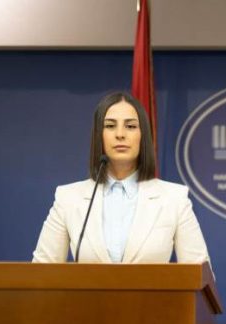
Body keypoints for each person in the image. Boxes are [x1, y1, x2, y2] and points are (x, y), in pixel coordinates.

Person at [32, 92, 210, 265]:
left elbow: (200, 275)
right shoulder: (68, 198)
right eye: (110, 126)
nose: (120, 134)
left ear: (143, 136)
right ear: (99, 136)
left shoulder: (174, 198)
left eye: (130, 126)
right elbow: (40, 273)